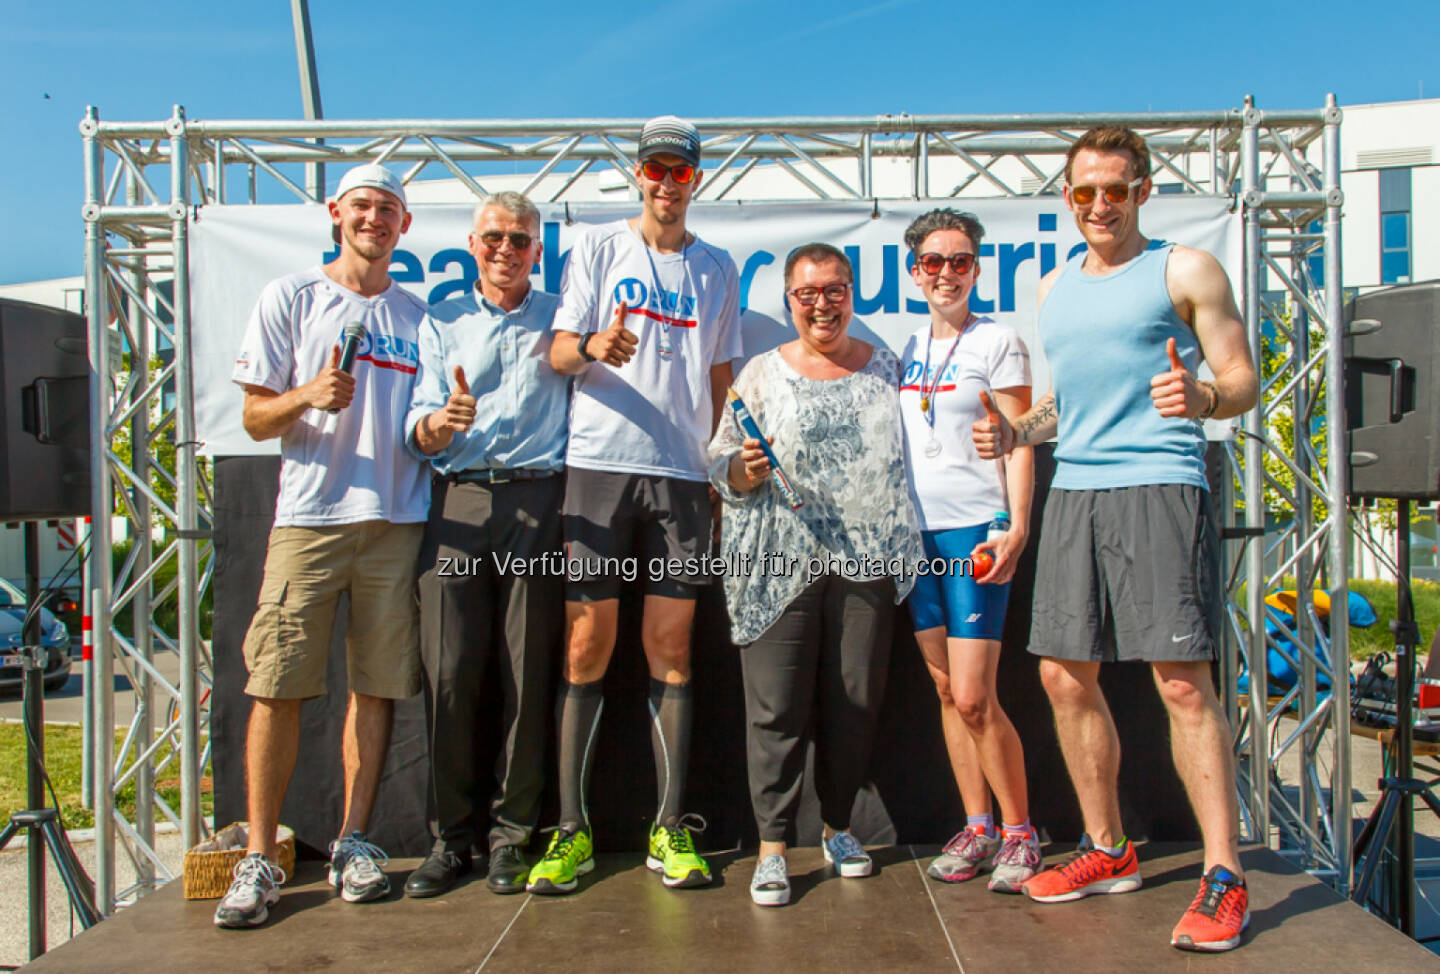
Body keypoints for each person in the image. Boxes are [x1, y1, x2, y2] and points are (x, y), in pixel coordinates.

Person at [973, 126, 1259, 952]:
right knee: (1064, 678)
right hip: (1076, 493)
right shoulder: (1057, 287)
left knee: (1179, 685)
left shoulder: (1185, 269)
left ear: (1142, 191)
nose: (1100, 205)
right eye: (1085, 192)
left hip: (1162, 486)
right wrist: (1020, 431)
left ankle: (1223, 874)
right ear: (1069, 199)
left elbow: (1241, 377)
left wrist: (1203, 398)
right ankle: (1108, 849)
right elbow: (1071, 403)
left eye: (1117, 190)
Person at [528, 115, 742, 894]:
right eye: (654, 169)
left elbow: (722, 378)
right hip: (600, 468)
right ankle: (571, 834)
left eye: (678, 171)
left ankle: (669, 829)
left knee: (673, 651)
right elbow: (556, 351)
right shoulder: (594, 246)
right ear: (637, 175)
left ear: (695, 178)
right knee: (586, 648)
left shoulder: (719, 267)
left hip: (684, 477)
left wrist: (720, 472)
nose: (665, 182)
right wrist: (592, 348)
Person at [216, 163, 429, 928]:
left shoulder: (418, 315)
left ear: (405, 227)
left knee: (373, 687)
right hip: (308, 520)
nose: (374, 220)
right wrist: (306, 395)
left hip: (395, 523)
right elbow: (252, 419)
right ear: (337, 213)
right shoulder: (290, 297)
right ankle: (260, 855)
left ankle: (354, 842)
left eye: (389, 210)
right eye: (363, 206)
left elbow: (422, 425)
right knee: (277, 684)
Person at [709, 243, 923, 907]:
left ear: (852, 293)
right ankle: (774, 847)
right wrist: (743, 469)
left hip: (866, 563)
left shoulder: (888, 369)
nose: (822, 304)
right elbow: (722, 464)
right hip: (777, 564)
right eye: (807, 293)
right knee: (775, 708)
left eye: (833, 290)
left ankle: (839, 828)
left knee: (854, 703)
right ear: (789, 300)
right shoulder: (760, 374)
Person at [402, 191, 567, 898]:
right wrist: (442, 422)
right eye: (494, 237)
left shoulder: (563, 316)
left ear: (538, 249)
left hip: (539, 498)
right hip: (460, 499)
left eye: (521, 240)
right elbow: (417, 425)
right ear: (472, 244)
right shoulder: (438, 320)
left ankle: (512, 836)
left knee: (527, 676)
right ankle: (451, 838)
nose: (506, 250)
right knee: (448, 674)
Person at [897, 209, 1039, 892]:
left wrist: (1015, 524)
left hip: (975, 531)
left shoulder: (999, 342)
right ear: (913, 272)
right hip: (916, 534)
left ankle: (1020, 833)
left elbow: (1021, 436)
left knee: (978, 695)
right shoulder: (907, 349)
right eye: (933, 262)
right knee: (948, 690)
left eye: (959, 261)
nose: (946, 273)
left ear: (977, 270)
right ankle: (977, 826)